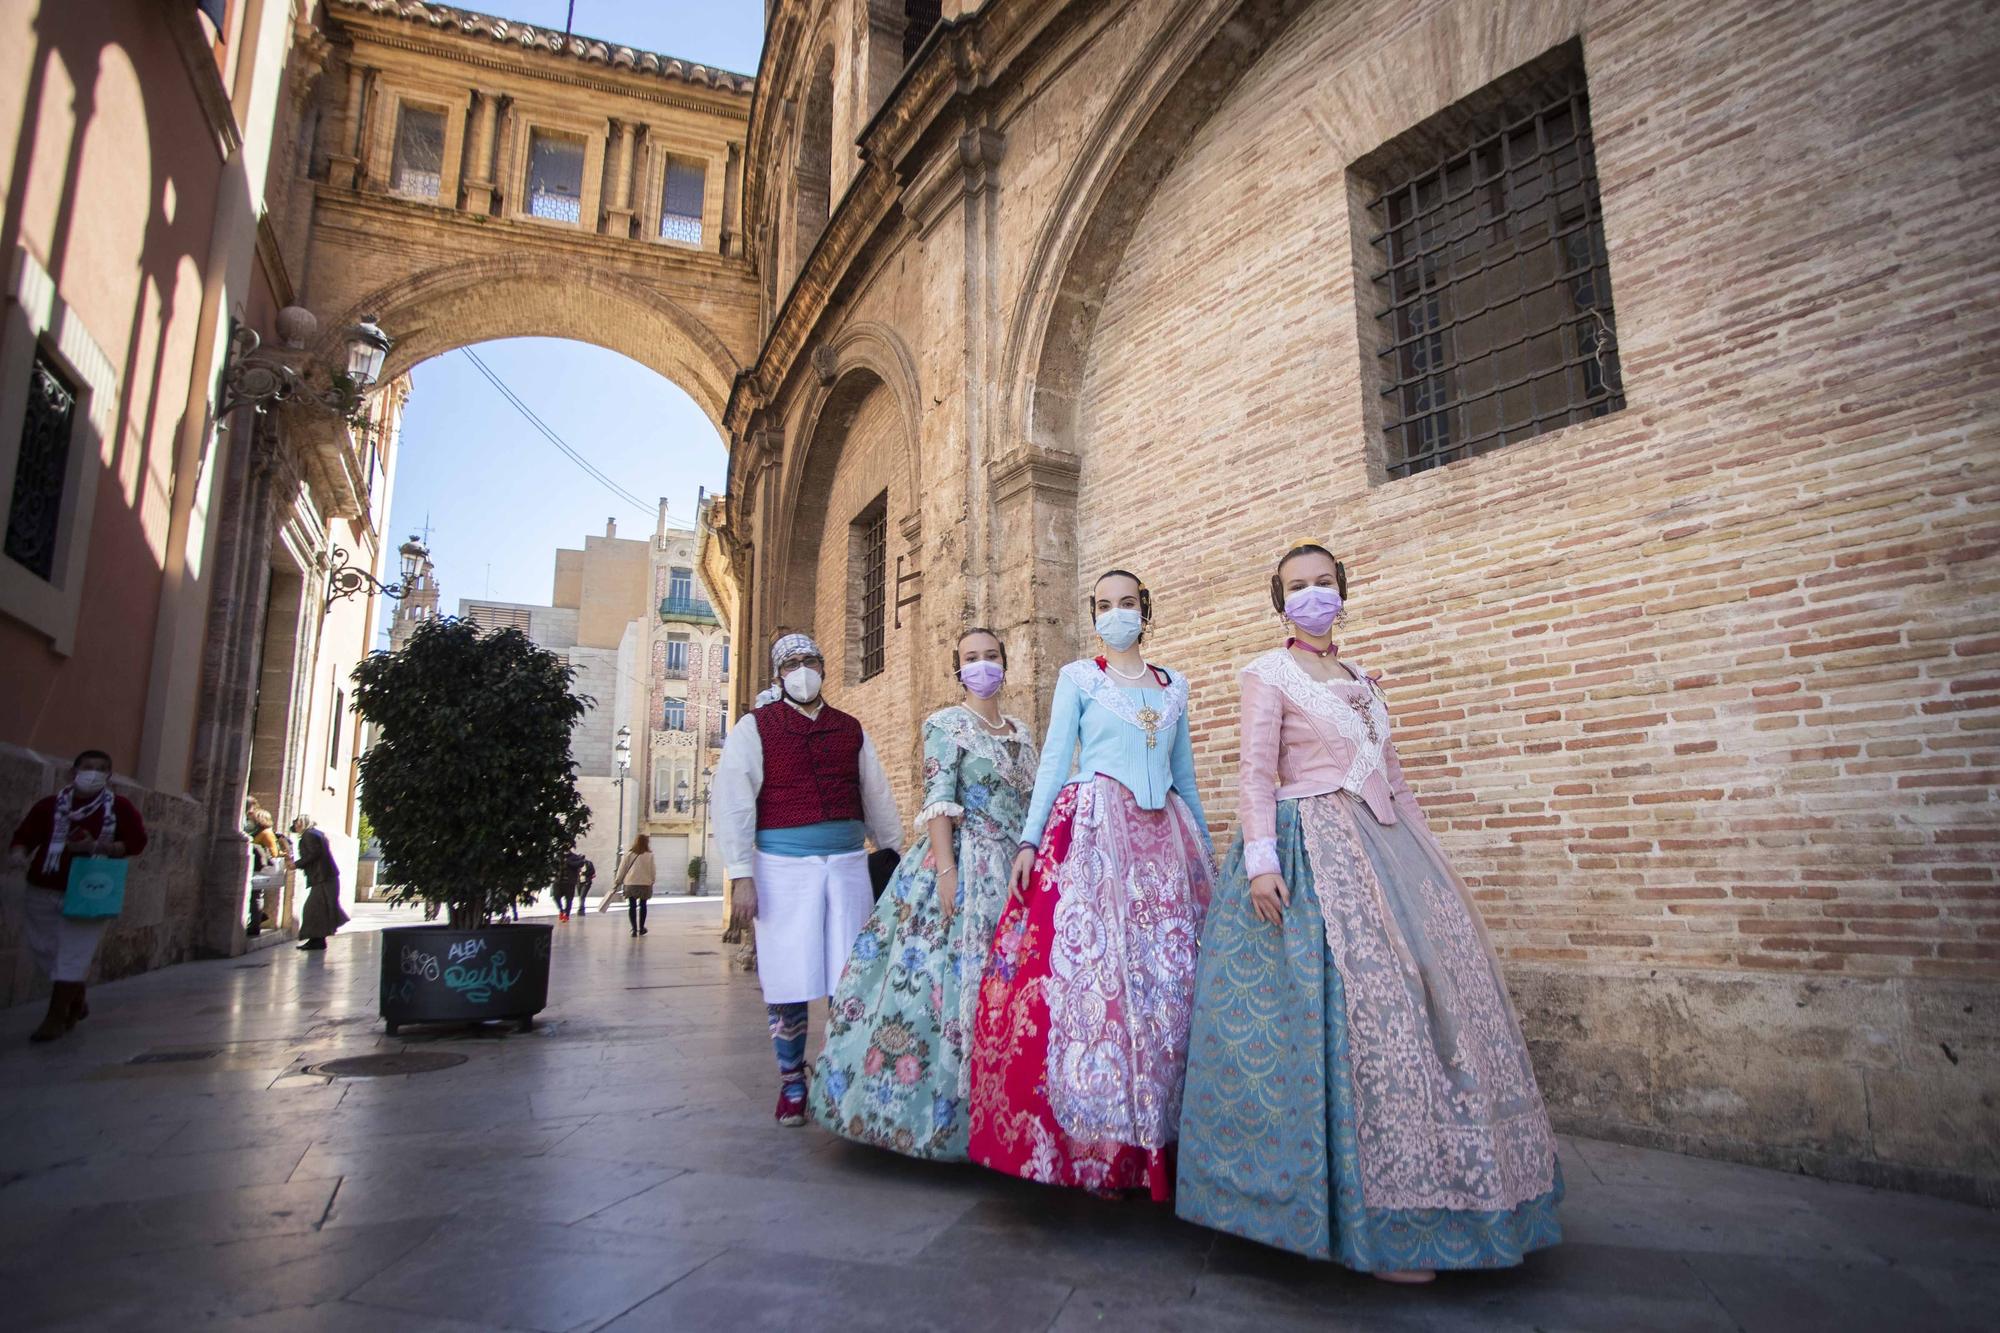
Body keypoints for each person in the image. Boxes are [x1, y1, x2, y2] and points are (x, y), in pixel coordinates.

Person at [1176, 544, 1562, 1282]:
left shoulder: (1362, 681)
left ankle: (1446, 1198)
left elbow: (1398, 781)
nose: (1312, 594)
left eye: (1323, 582)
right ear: (1280, 601)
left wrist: (1430, 864)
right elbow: (1256, 774)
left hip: (1387, 849)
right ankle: (1373, 1224)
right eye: (1297, 586)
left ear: (1343, 593)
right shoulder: (1269, 673)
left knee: (1420, 1001)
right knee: (1359, 1014)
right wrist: (1261, 862)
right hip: (1309, 853)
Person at [967, 570, 1213, 1200]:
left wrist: (1210, 857)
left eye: (1126, 603)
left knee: (1166, 986)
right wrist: (1028, 839)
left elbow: (1183, 773)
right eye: (1103, 605)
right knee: (1102, 983)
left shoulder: (1173, 686)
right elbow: (1054, 760)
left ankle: (1164, 1136)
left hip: (1166, 846)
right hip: (1098, 836)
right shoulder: (1079, 678)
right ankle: (1104, 1147)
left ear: (1145, 610)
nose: (1115, 613)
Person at [812, 629, 1038, 1160]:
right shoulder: (945, 725)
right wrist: (946, 871)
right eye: (970, 659)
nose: (982, 666)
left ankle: (1004, 1117)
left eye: (991, 657)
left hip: (1011, 867)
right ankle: (933, 1124)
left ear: (1006, 663)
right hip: (961, 861)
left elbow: (1030, 802)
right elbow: (939, 798)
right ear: (956, 670)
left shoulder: (1021, 732)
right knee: (943, 983)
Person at [713, 631, 904, 1126]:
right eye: (793, 662)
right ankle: (793, 1084)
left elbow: (876, 791)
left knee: (851, 974)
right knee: (788, 976)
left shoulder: (849, 728)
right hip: (781, 872)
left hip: (845, 868)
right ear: (779, 675)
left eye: (811, 660)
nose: (803, 669)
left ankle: (843, 1076)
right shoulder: (755, 728)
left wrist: (893, 851)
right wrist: (741, 875)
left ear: (823, 665)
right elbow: (733, 801)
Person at [7, 750, 149, 1042]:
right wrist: (19, 853)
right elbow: (26, 834)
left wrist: (97, 847)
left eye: (100, 769)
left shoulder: (119, 807)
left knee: (75, 951)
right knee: (44, 948)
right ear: (74, 771)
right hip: (45, 884)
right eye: (88, 767)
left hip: (90, 889)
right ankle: (76, 994)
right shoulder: (51, 806)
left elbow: (136, 842)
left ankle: (56, 1017)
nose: (93, 773)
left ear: (108, 776)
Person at [291, 814, 348, 951]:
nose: (295, 826)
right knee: (319, 910)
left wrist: (296, 864)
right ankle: (317, 940)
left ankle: (317, 940)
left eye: (297, 823)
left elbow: (313, 854)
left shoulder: (308, 835)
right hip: (325, 877)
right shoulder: (316, 834)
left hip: (322, 878)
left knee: (313, 910)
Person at [614, 835, 656, 937]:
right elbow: (653, 870)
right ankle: (641, 928)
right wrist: (652, 880)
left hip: (630, 883)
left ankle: (633, 929)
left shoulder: (629, 854)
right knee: (643, 905)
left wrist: (618, 880)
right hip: (644, 883)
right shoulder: (649, 855)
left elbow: (622, 868)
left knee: (632, 906)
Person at [553, 850, 585, 921]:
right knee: (556, 896)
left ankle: (566, 915)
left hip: (570, 882)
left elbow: (580, 863)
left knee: (569, 900)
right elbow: (553, 866)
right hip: (558, 882)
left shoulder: (574, 857)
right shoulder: (557, 856)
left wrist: (569, 862)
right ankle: (561, 910)